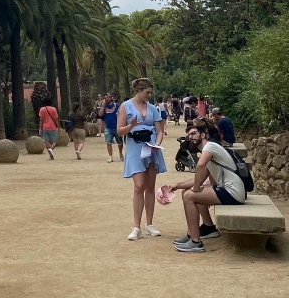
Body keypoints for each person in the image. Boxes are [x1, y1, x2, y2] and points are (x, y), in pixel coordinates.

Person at [168, 118, 247, 252]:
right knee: (186, 191)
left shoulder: (210, 147)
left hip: (233, 191)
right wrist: (177, 186)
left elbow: (200, 165)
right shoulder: (208, 151)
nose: (190, 137)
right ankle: (196, 233)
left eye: (193, 133)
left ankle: (196, 242)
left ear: (203, 134)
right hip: (229, 189)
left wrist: (196, 188)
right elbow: (198, 178)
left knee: (189, 196)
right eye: (189, 135)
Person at [118, 77, 166, 241]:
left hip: (150, 147)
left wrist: (157, 144)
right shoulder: (126, 106)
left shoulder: (152, 108)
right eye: (147, 92)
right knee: (139, 186)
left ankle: (149, 224)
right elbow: (120, 131)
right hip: (134, 148)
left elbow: (160, 130)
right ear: (139, 90)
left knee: (150, 187)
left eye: (151, 93)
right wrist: (131, 125)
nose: (149, 96)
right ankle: (136, 226)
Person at [100, 93, 124, 163]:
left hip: (117, 127)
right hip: (108, 127)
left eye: (107, 97)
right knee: (108, 142)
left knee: (120, 142)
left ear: (110, 98)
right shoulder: (104, 107)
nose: (106, 99)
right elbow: (100, 114)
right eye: (105, 98)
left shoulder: (116, 105)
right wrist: (102, 106)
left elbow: (121, 113)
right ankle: (110, 156)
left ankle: (120, 154)